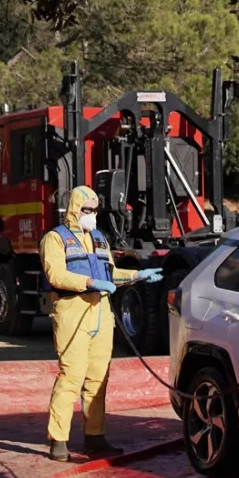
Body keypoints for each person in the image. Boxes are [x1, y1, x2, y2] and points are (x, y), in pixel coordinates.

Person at [41, 186, 158, 461]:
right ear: (74, 209)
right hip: (73, 311)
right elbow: (56, 275)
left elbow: (111, 273)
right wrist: (90, 283)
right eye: (86, 210)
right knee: (71, 376)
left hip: (101, 313)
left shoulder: (99, 239)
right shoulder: (55, 239)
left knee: (98, 378)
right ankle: (58, 439)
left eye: (94, 210)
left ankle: (95, 436)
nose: (91, 215)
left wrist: (137, 276)